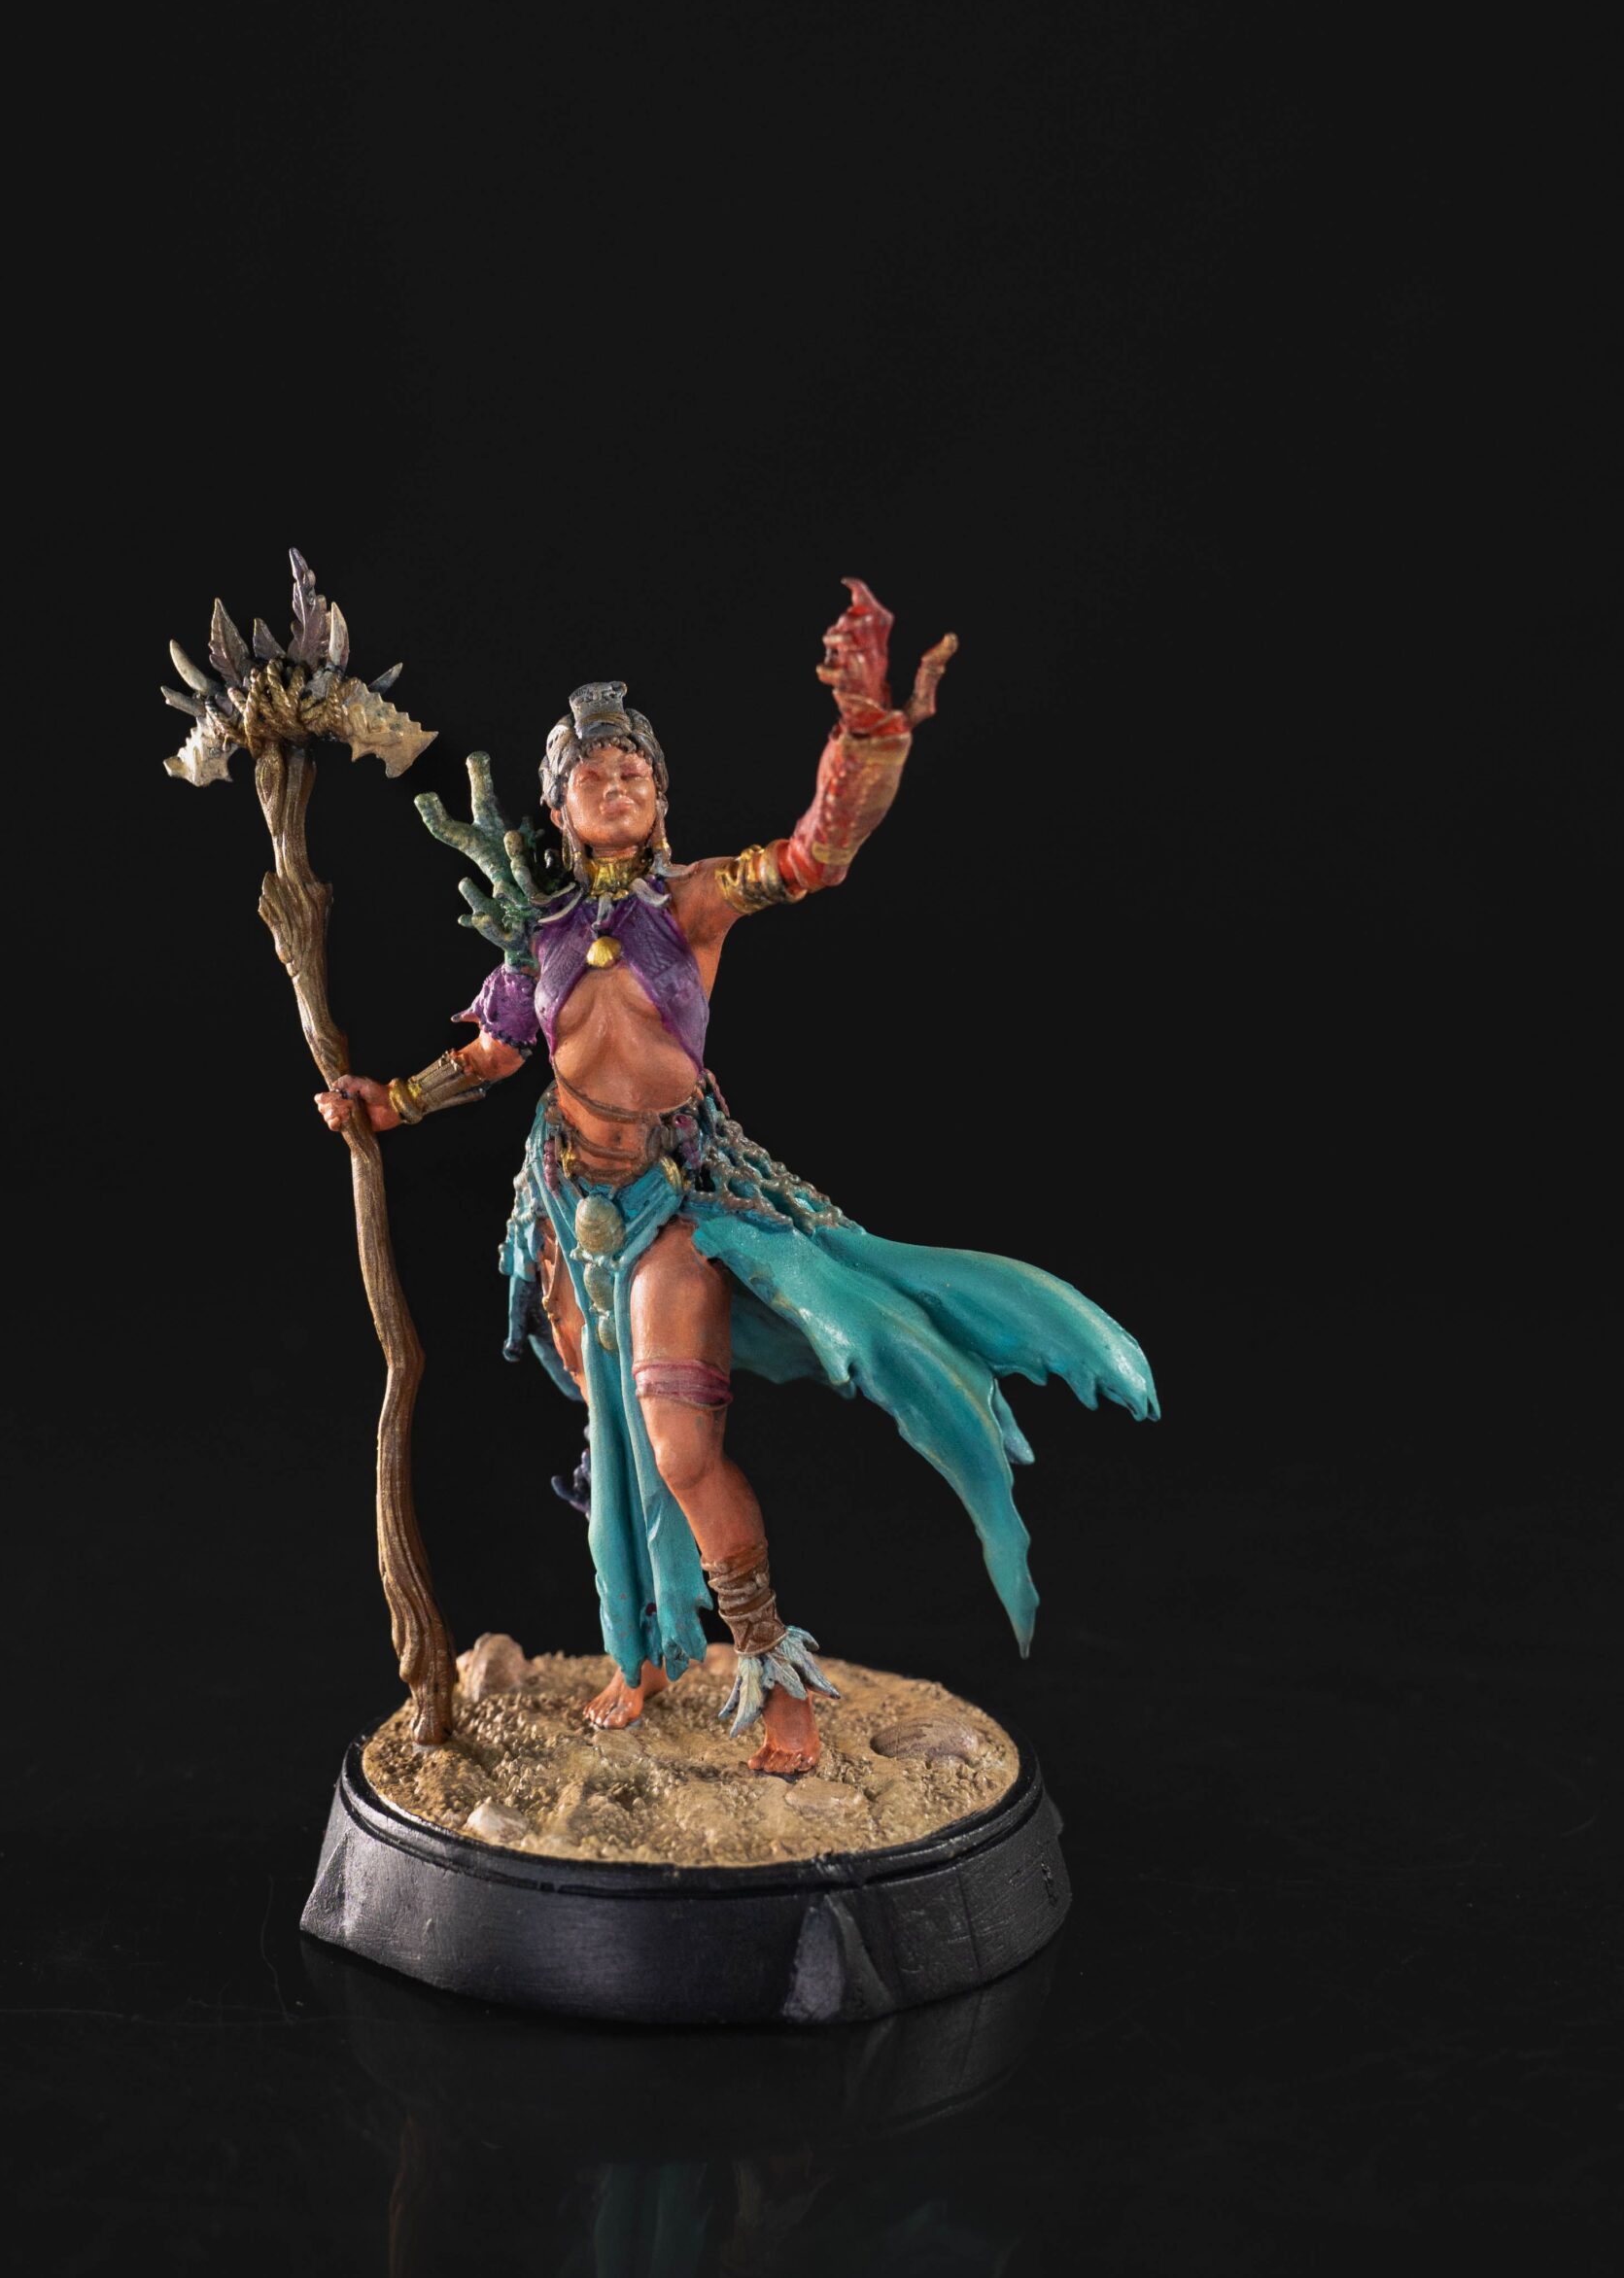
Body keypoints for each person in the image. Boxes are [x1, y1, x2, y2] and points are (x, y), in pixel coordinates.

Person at [315, 581, 1158, 1777]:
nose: (617, 782)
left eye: (635, 769)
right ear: (557, 806)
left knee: (678, 1450)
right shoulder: (535, 934)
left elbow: (816, 855)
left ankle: (774, 1680)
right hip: (562, 1207)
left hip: (674, 1206)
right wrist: (386, 1104)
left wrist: (862, 735)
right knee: (614, 1440)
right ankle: (643, 1654)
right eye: (592, 771)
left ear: (661, 798)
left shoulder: (693, 899)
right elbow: (495, 1053)